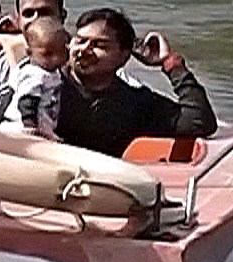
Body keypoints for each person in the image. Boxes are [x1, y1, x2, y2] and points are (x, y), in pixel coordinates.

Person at [57, 8, 218, 156]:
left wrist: (171, 64)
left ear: (124, 56)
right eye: (80, 41)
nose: (84, 49)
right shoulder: (49, 85)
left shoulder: (132, 103)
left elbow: (199, 121)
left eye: (99, 45)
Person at [0, 17, 69, 138]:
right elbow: (26, 101)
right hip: (20, 126)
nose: (56, 59)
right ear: (29, 53)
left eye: (61, 52)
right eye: (47, 54)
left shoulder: (53, 72)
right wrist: (30, 126)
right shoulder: (33, 74)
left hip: (43, 125)